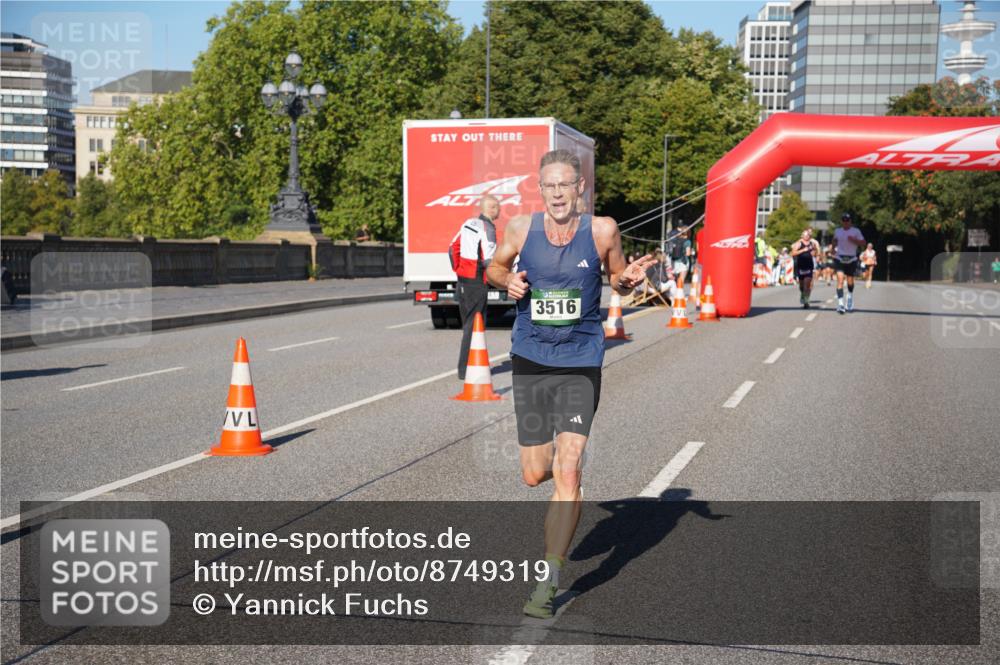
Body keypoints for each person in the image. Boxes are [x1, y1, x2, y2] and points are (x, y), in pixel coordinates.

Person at [486, 149, 654, 619]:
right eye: (549, 186)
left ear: (580, 188)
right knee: (534, 473)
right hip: (531, 358)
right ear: (540, 190)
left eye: (566, 185)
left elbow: (619, 278)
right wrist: (507, 283)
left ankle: (548, 580)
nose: (558, 193)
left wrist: (629, 283)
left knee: (569, 469)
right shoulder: (520, 229)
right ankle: (562, 485)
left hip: (581, 358)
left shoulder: (602, 230)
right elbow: (493, 268)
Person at [453, 195, 500, 379]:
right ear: (493, 208)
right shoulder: (488, 228)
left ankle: (466, 367)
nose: (500, 211)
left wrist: (459, 270)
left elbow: (452, 248)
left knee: (468, 325)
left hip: (463, 279)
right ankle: (467, 370)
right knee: (475, 325)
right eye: (498, 207)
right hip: (477, 280)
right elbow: (489, 261)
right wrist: (502, 279)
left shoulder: (468, 223)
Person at [832, 212, 866, 314]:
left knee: (850, 281)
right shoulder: (837, 231)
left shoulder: (856, 231)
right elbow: (834, 240)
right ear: (842, 221)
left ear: (850, 221)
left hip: (851, 259)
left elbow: (863, 243)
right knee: (840, 280)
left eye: (848, 220)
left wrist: (854, 240)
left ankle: (850, 296)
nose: (846, 222)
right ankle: (841, 304)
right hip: (839, 258)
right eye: (844, 220)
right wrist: (833, 248)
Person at [790, 228, 819, 308]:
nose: (807, 236)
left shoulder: (812, 244)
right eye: (805, 235)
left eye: (808, 235)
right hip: (801, 266)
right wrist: (803, 250)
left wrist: (815, 252)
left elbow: (815, 252)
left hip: (809, 265)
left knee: (807, 284)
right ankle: (802, 294)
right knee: (801, 286)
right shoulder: (799, 243)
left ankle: (806, 301)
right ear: (802, 236)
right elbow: (793, 253)